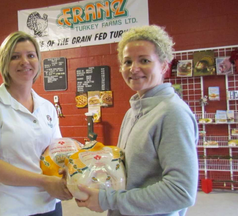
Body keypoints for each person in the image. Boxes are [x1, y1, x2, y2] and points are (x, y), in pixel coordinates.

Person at [76, 25, 199, 216]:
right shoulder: (133, 111)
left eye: (144, 60)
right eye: (127, 62)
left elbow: (181, 192)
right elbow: (131, 175)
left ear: (164, 65)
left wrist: (108, 200)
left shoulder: (173, 113)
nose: (133, 69)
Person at [0, 31, 72, 216]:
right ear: (4, 63)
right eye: (15, 57)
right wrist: (44, 181)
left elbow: (57, 152)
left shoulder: (47, 107)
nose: (24, 62)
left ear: (38, 61)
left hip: (49, 203)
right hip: (12, 207)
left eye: (31, 55)